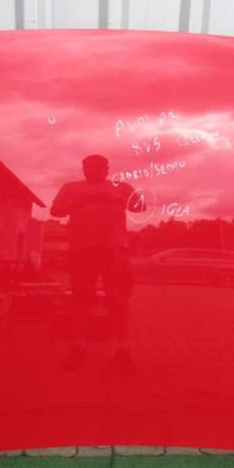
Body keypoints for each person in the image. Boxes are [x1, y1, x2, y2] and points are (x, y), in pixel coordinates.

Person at [50, 155, 141, 372]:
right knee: (81, 298)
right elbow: (55, 211)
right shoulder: (71, 187)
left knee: (118, 298)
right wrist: (82, 201)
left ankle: (122, 348)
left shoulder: (121, 187)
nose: (97, 169)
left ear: (108, 169)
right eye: (91, 166)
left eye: (102, 166)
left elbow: (140, 206)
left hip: (116, 249)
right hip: (83, 248)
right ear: (83, 169)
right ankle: (78, 345)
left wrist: (117, 199)